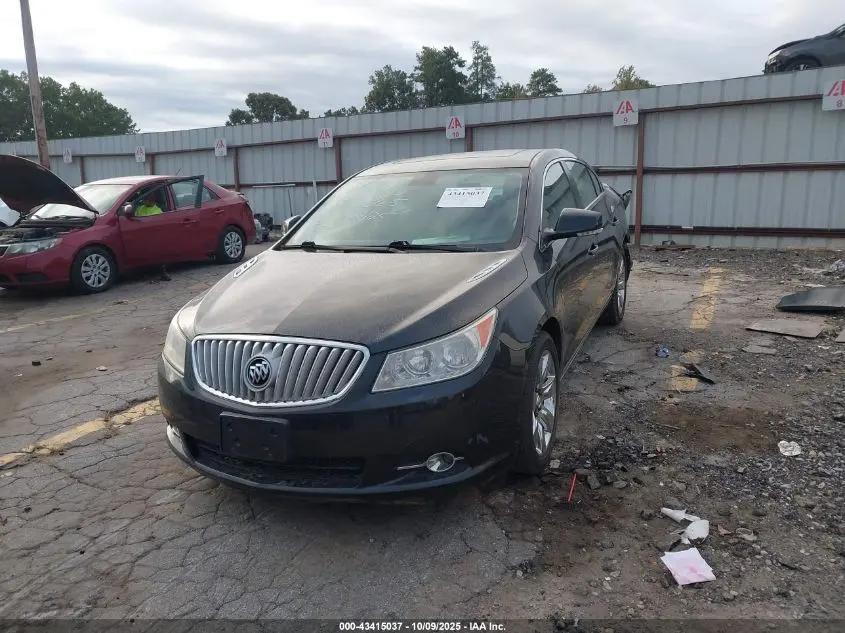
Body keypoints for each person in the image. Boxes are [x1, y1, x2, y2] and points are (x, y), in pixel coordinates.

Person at [134, 193, 170, 281]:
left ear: (154, 200)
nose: (146, 201)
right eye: (145, 199)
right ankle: (144, 273)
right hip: (141, 235)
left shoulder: (158, 210)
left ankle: (163, 273)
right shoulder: (140, 209)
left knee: (158, 253)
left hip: (154, 236)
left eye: (149, 199)